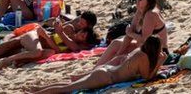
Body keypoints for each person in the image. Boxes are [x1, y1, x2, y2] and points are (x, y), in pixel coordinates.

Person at [33, 36, 163, 94]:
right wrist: (160, 62)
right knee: (68, 89)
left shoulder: (139, 51)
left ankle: (38, 90)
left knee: (69, 86)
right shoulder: (143, 57)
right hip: (106, 77)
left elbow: (121, 59)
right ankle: (36, 93)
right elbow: (148, 77)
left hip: (106, 71)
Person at [93, 0, 167, 68]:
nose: (137, 0)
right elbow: (129, 34)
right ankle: (95, 70)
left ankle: (99, 71)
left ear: (149, 1)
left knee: (121, 59)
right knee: (116, 43)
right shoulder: (140, 11)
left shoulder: (151, 14)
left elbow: (145, 39)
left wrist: (130, 33)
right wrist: (119, 53)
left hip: (156, 53)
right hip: (142, 48)